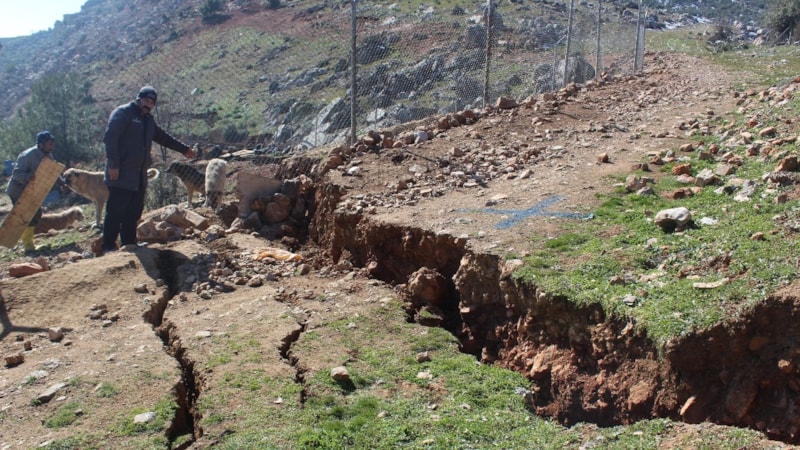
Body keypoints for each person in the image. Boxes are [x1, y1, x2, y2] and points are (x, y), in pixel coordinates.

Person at [101, 86, 196, 253]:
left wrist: (184, 149)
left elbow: (163, 138)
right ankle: (108, 246)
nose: (148, 104)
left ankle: (129, 243)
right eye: (146, 100)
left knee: (134, 211)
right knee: (115, 211)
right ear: (139, 98)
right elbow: (110, 138)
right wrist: (114, 165)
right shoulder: (123, 113)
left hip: (138, 176)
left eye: (152, 102)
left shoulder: (148, 120)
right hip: (121, 173)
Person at [5, 131, 56, 252]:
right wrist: (28, 176)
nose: (51, 146)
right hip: (17, 189)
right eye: (49, 144)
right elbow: (16, 174)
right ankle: (27, 246)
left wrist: (62, 183)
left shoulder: (48, 155)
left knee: (36, 214)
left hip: (31, 189)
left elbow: (52, 171)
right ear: (41, 144)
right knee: (26, 215)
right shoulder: (27, 155)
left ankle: (27, 243)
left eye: (52, 144)